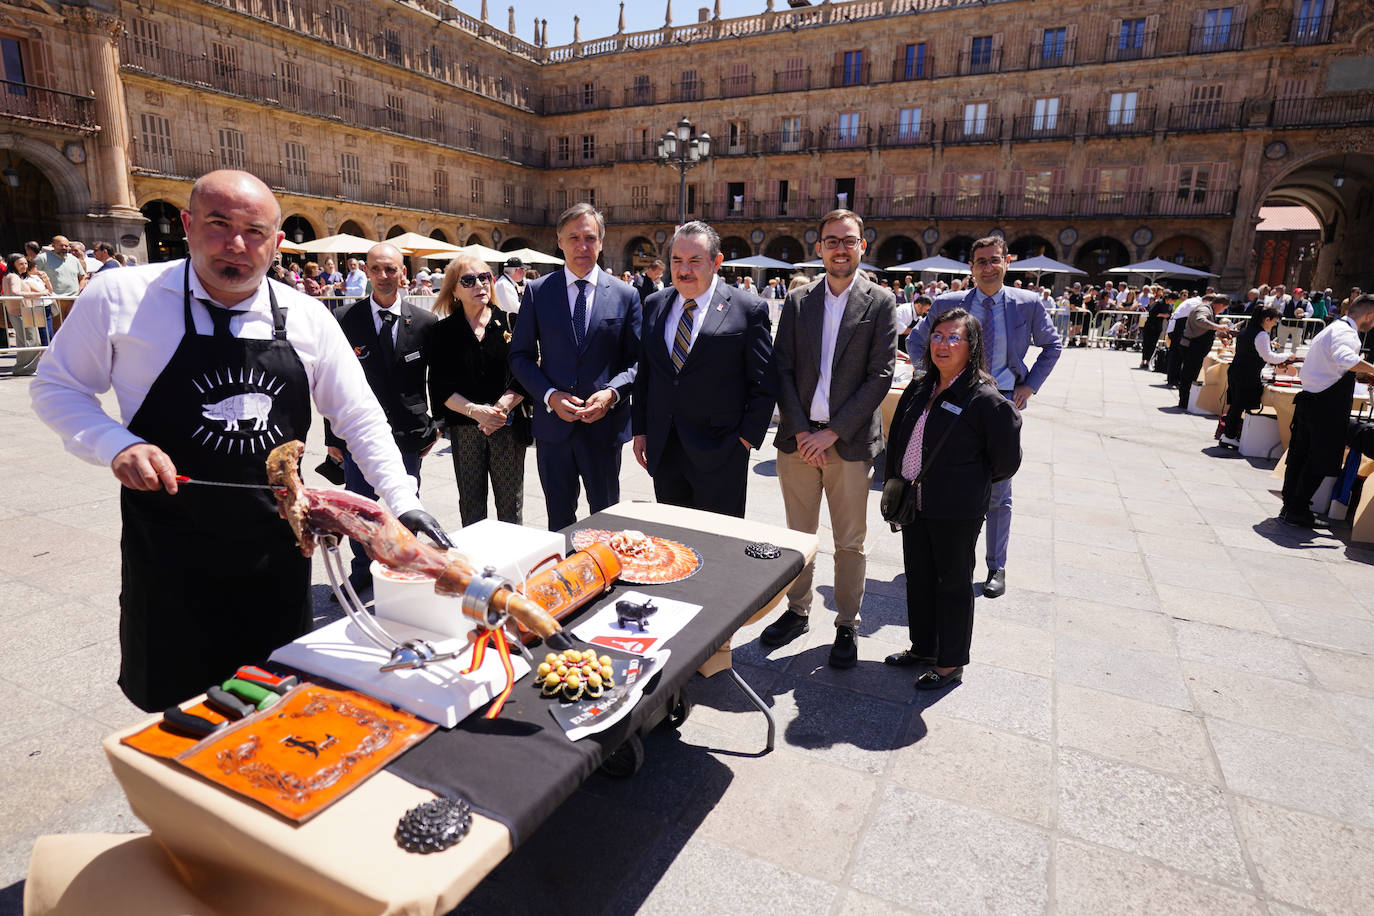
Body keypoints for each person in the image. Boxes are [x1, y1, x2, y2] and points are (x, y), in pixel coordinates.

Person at [29, 170, 450, 712]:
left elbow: (360, 415)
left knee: (275, 707)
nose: (236, 245)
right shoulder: (121, 296)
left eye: (255, 232)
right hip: (169, 553)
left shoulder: (308, 317)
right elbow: (57, 386)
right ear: (186, 225)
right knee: (178, 717)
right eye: (218, 224)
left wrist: (403, 501)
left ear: (277, 243)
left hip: (275, 556)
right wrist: (115, 444)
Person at [760, 209, 896, 669]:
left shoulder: (880, 302)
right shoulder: (799, 301)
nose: (840, 248)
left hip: (850, 442)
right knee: (797, 535)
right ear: (818, 248)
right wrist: (801, 430)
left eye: (849, 240)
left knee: (849, 542)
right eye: (831, 240)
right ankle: (797, 611)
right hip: (798, 441)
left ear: (863, 246)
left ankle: (847, 624)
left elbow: (881, 375)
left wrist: (833, 431)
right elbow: (781, 368)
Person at [908, 235, 1061, 599]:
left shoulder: (1028, 304)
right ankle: (952, 559)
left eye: (995, 260)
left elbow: (1052, 345)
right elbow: (916, 343)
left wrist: (1030, 387)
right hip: (953, 401)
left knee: (998, 487)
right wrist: (932, 379)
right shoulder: (948, 303)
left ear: (1007, 262)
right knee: (946, 481)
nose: (988, 267)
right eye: (981, 261)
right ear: (971, 267)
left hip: (1001, 402)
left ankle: (996, 565)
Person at [884, 309, 1022, 687]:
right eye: (937, 336)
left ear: (971, 345)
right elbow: (897, 437)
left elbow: (1005, 463)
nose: (942, 344)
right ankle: (923, 647)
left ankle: (950, 662)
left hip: (955, 509)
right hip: (915, 504)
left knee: (953, 583)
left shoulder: (986, 400)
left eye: (953, 338)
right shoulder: (920, 384)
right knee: (919, 578)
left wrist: (962, 483)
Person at [507, 203, 641, 531]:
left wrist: (612, 393)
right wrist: (549, 396)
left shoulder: (626, 295)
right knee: (559, 521)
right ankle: (564, 581)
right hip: (554, 431)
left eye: (589, 238)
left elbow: (638, 361)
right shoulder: (538, 293)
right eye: (574, 238)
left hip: (604, 427)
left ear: (601, 242)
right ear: (560, 241)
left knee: (606, 519)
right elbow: (519, 356)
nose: (582, 246)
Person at [631, 221, 776, 517]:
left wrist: (745, 440)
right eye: (677, 260)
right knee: (674, 545)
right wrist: (641, 430)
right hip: (665, 448)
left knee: (719, 548)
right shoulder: (654, 304)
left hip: (722, 451)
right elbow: (646, 373)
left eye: (695, 261)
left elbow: (765, 382)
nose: (684, 270)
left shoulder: (748, 309)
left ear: (716, 262)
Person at [330, 242, 440, 591]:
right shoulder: (345, 319)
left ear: (403, 274)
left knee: (403, 507)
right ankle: (362, 570)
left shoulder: (425, 322)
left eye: (390, 269)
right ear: (365, 272)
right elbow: (330, 382)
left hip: (408, 434)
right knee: (361, 510)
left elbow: (437, 379)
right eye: (376, 268)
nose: (383, 276)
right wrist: (333, 438)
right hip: (356, 436)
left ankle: (400, 572)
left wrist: (435, 427)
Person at [425, 254, 528, 526]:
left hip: (506, 424)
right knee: (471, 507)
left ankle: (511, 566)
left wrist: (499, 410)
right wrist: (475, 412)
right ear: (455, 291)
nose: (480, 285)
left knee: (511, 507)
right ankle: (474, 567)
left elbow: (525, 374)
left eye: (485, 278)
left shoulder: (511, 323)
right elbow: (439, 385)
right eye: (469, 280)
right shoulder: (443, 332)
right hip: (465, 427)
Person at [1279, 295, 1374, 526]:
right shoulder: (1347, 333)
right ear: (1369, 315)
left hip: (1311, 400)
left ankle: (1290, 505)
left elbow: (1334, 365)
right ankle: (1298, 509)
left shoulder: (1332, 328)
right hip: (1326, 407)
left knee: (1300, 456)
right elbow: (1345, 359)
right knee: (1319, 459)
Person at [1220, 305, 1291, 447]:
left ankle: (1229, 433)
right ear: (1266, 319)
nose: (1275, 324)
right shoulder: (1262, 334)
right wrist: (1287, 355)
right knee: (1238, 405)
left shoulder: (1246, 331)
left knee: (1236, 404)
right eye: (1274, 321)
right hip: (1246, 373)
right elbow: (1268, 356)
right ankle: (1229, 435)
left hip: (1237, 370)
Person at [1174, 294, 1233, 411]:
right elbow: (1200, 320)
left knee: (1191, 375)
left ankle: (1187, 400)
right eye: (1224, 308)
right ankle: (1184, 401)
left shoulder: (1208, 310)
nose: (1223, 311)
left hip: (1196, 348)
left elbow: (1204, 328)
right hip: (1193, 347)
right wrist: (1218, 327)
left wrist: (1220, 336)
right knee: (1188, 375)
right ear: (1220, 305)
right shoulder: (1204, 309)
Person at [1140, 291, 1174, 369]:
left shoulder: (1169, 306)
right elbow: (1151, 313)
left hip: (1158, 327)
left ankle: (1148, 361)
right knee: (1146, 344)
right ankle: (1143, 360)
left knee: (1153, 345)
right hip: (1150, 326)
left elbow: (1169, 315)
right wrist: (1163, 315)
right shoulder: (1158, 303)